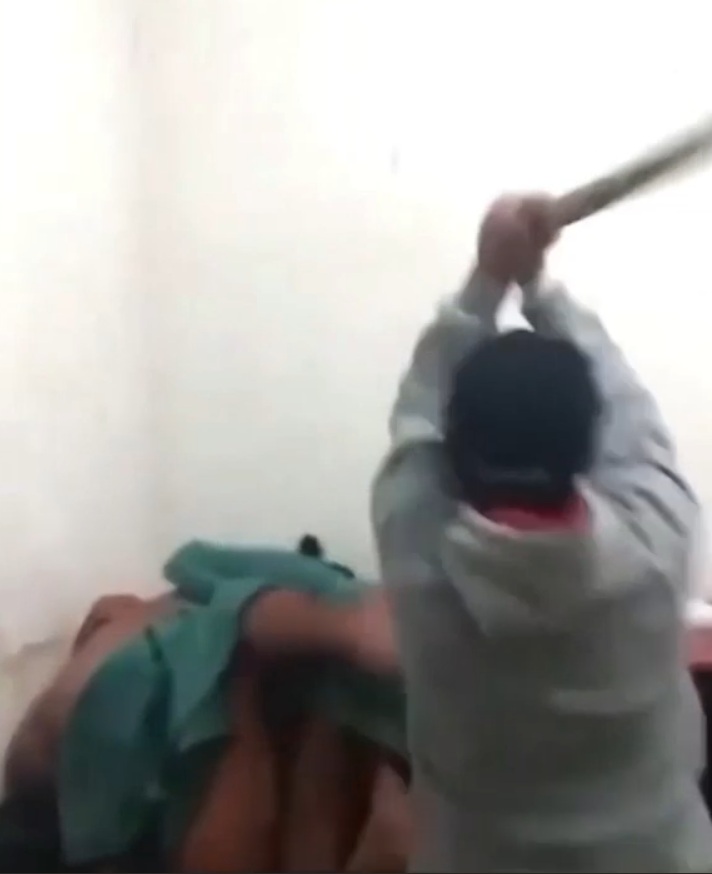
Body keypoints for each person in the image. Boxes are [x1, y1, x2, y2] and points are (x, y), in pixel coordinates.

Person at [371, 193, 712, 871]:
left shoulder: (416, 549)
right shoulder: (659, 536)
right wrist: (536, 285)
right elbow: (628, 410)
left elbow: (415, 411)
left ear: (453, 450)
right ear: (588, 448)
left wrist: (491, 274)